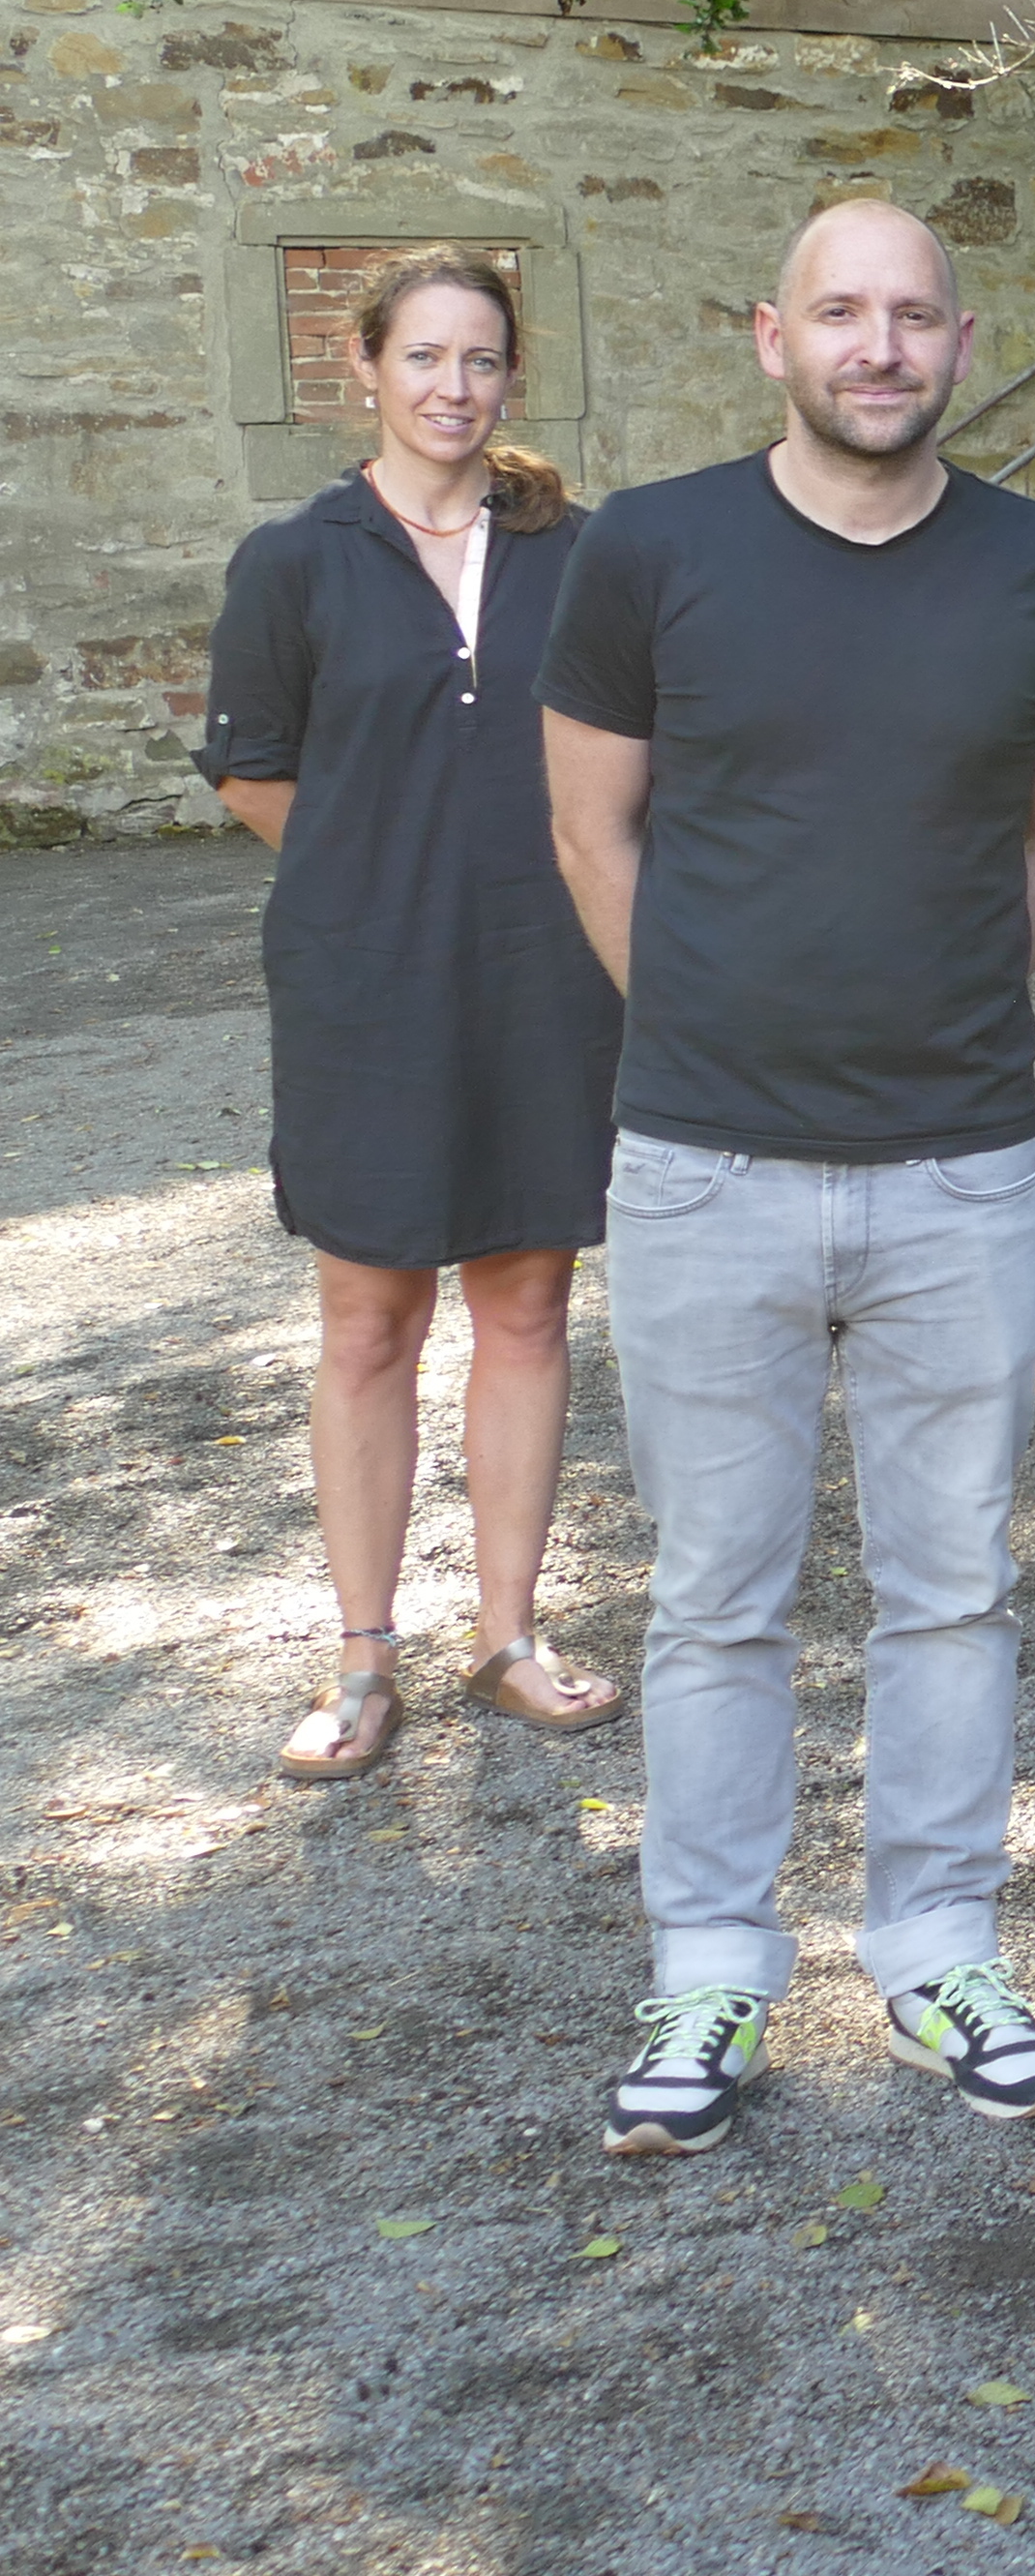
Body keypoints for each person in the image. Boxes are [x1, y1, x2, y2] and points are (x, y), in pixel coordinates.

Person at [543, 199, 1035, 2154]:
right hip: (704, 1166)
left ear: (963, 343)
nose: (878, 346)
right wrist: (725, 1030)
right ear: (768, 333)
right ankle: (711, 1965)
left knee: (951, 1587)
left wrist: (920, 1019)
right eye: (840, 313)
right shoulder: (649, 551)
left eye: (913, 319)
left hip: (961, 1171)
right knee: (717, 1596)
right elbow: (593, 834)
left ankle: (937, 1949)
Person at [201, 246, 627, 1778]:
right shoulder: (296, 558)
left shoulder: (580, 556)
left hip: (546, 974)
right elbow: (256, 774)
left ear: (512, 378)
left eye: (484, 360)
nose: (456, 386)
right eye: (426, 357)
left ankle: (509, 1632)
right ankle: (363, 1655)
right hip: (364, 986)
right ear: (365, 367)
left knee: (526, 1304)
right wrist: (387, 880)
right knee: (368, 1321)